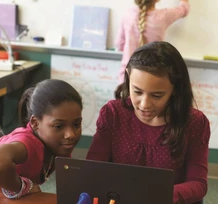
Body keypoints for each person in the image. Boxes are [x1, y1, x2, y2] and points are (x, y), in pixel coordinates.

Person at [87, 41, 210, 204]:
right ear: (128, 77)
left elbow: (198, 184)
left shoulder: (194, 122)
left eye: (157, 96)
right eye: (137, 92)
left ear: (175, 90)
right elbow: (93, 170)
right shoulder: (113, 113)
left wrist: (162, 194)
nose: (144, 104)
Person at [0, 79, 83, 199]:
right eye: (59, 126)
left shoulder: (57, 146)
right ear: (35, 123)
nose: (71, 134)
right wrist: (21, 187)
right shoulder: (27, 144)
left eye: (76, 124)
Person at [115, 0, 190, 82]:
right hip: (153, 77)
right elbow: (184, 9)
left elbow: (119, 44)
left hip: (126, 75)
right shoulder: (163, 16)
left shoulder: (127, 15)